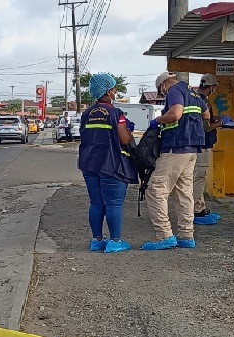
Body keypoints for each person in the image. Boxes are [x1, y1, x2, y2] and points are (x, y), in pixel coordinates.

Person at [141, 71, 209, 250]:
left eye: (161, 91)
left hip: (176, 146)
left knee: (156, 190)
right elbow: (207, 115)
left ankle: (164, 235)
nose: (163, 94)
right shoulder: (194, 93)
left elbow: (176, 114)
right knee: (184, 192)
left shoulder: (173, 90)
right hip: (193, 148)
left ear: (163, 84)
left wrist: (158, 120)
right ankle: (186, 235)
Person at [78, 72, 138, 253]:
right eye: (114, 88)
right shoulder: (115, 113)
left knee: (96, 203)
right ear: (109, 91)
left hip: (89, 163)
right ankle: (115, 241)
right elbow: (125, 139)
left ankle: (96, 240)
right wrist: (128, 129)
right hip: (111, 163)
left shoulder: (87, 113)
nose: (116, 91)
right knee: (114, 203)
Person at [193, 73, 226, 225]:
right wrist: (219, 123)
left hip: (196, 144)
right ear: (211, 87)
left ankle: (200, 206)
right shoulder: (203, 102)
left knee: (197, 177)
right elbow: (205, 127)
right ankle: (197, 210)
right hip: (203, 145)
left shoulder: (194, 98)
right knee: (199, 177)